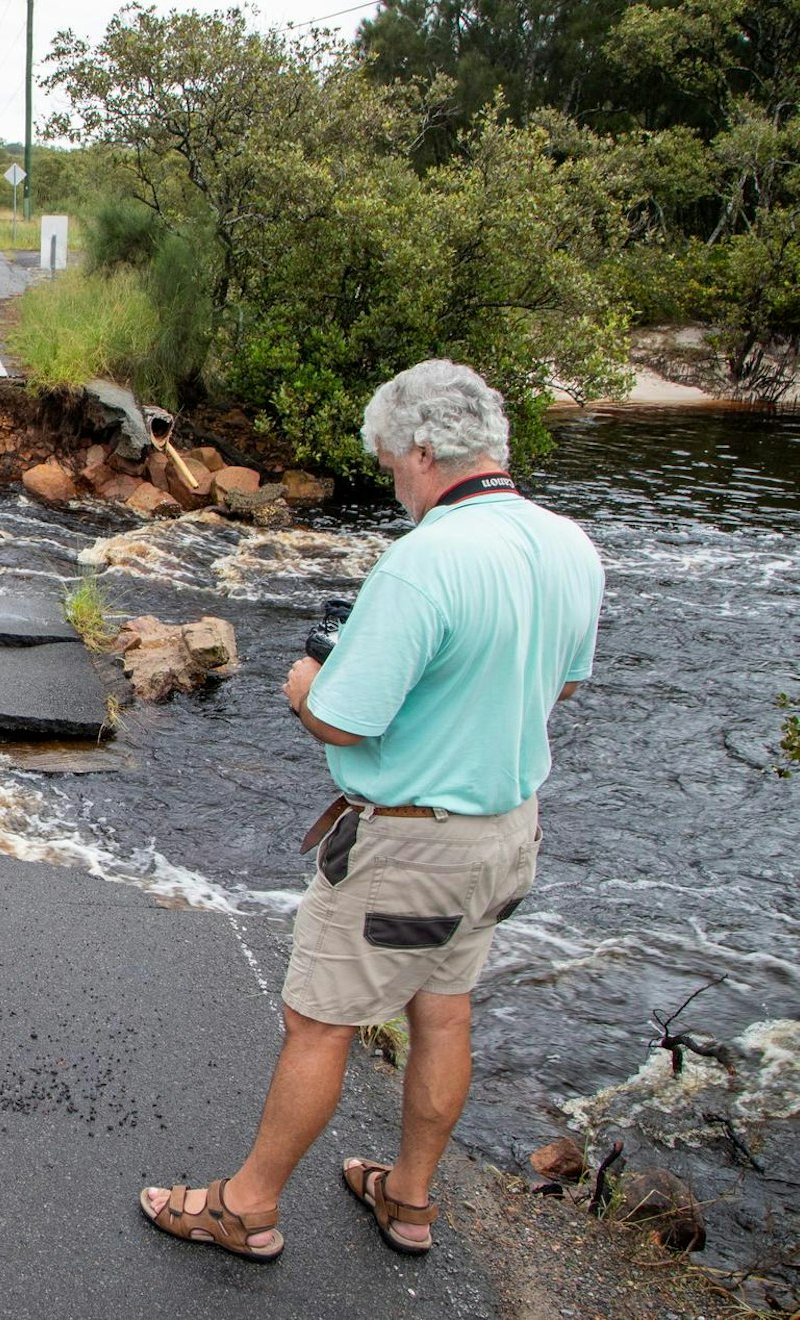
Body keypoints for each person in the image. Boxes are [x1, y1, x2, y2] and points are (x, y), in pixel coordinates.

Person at [140, 359, 604, 1262]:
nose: (390, 479)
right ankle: (409, 1200)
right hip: (507, 834)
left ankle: (245, 1209)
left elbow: (343, 718)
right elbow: (566, 681)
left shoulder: (424, 559)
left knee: (320, 1021)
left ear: (425, 450)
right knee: (444, 1010)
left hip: (410, 844)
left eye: (391, 461)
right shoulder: (568, 544)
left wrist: (306, 682)